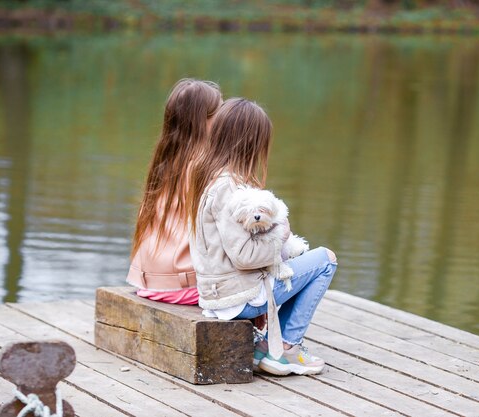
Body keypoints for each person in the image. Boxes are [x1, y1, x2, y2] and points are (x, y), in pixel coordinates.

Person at [186, 98, 338, 376]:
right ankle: (285, 347)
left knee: (303, 264)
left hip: (218, 293)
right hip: (236, 296)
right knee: (325, 260)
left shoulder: (207, 177)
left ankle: (272, 343)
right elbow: (244, 256)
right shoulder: (227, 187)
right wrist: (281, 234)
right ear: (250, 143)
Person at [126, 79, 222, 304]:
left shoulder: (165, 160)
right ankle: (277, 339)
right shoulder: (206, 167)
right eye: (220, 112)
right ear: (203, 121)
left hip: (148, 283)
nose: (225, 118)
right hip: (182, 286)